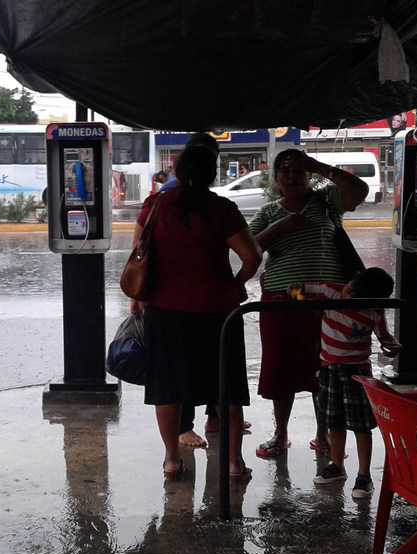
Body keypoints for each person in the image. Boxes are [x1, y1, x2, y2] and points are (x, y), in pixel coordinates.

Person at [132, 144, 262, 478]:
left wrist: (140, 297)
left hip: (164, 311)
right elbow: (251, 256)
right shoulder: (221, 209)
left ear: (177, 172)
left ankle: (171, 459)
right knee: (227, 389)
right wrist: (236, 284)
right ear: (211, 174)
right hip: (217, 313)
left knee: (167, 388)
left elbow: (138, 254)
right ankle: (233, 463)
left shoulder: (155, 206)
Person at [248, 149, 369, 459]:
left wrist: (318, 166)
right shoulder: (268, 213)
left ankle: (323, 434)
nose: (292, 176)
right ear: (276, 180)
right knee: (280, 370)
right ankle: (280, 433)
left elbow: (359, 190)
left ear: (308, 175)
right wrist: (279, 229)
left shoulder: (327, 201)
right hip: (282, 299)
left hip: (326, 302)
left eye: (299, 170)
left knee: (324, 369)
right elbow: (248, 249)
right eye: (285, 171)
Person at [288, 268, 401, 497]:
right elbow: (293, 290)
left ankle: (364, 475)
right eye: (350, 286)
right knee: (334, 420)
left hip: (357, 371)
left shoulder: (374, 310)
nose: (348, 292)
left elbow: (384, 337)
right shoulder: (330, 291)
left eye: (354, 294)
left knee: (361, 425)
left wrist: (392, 347)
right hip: (329, 368)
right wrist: (309, 305)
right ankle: (336, 465)